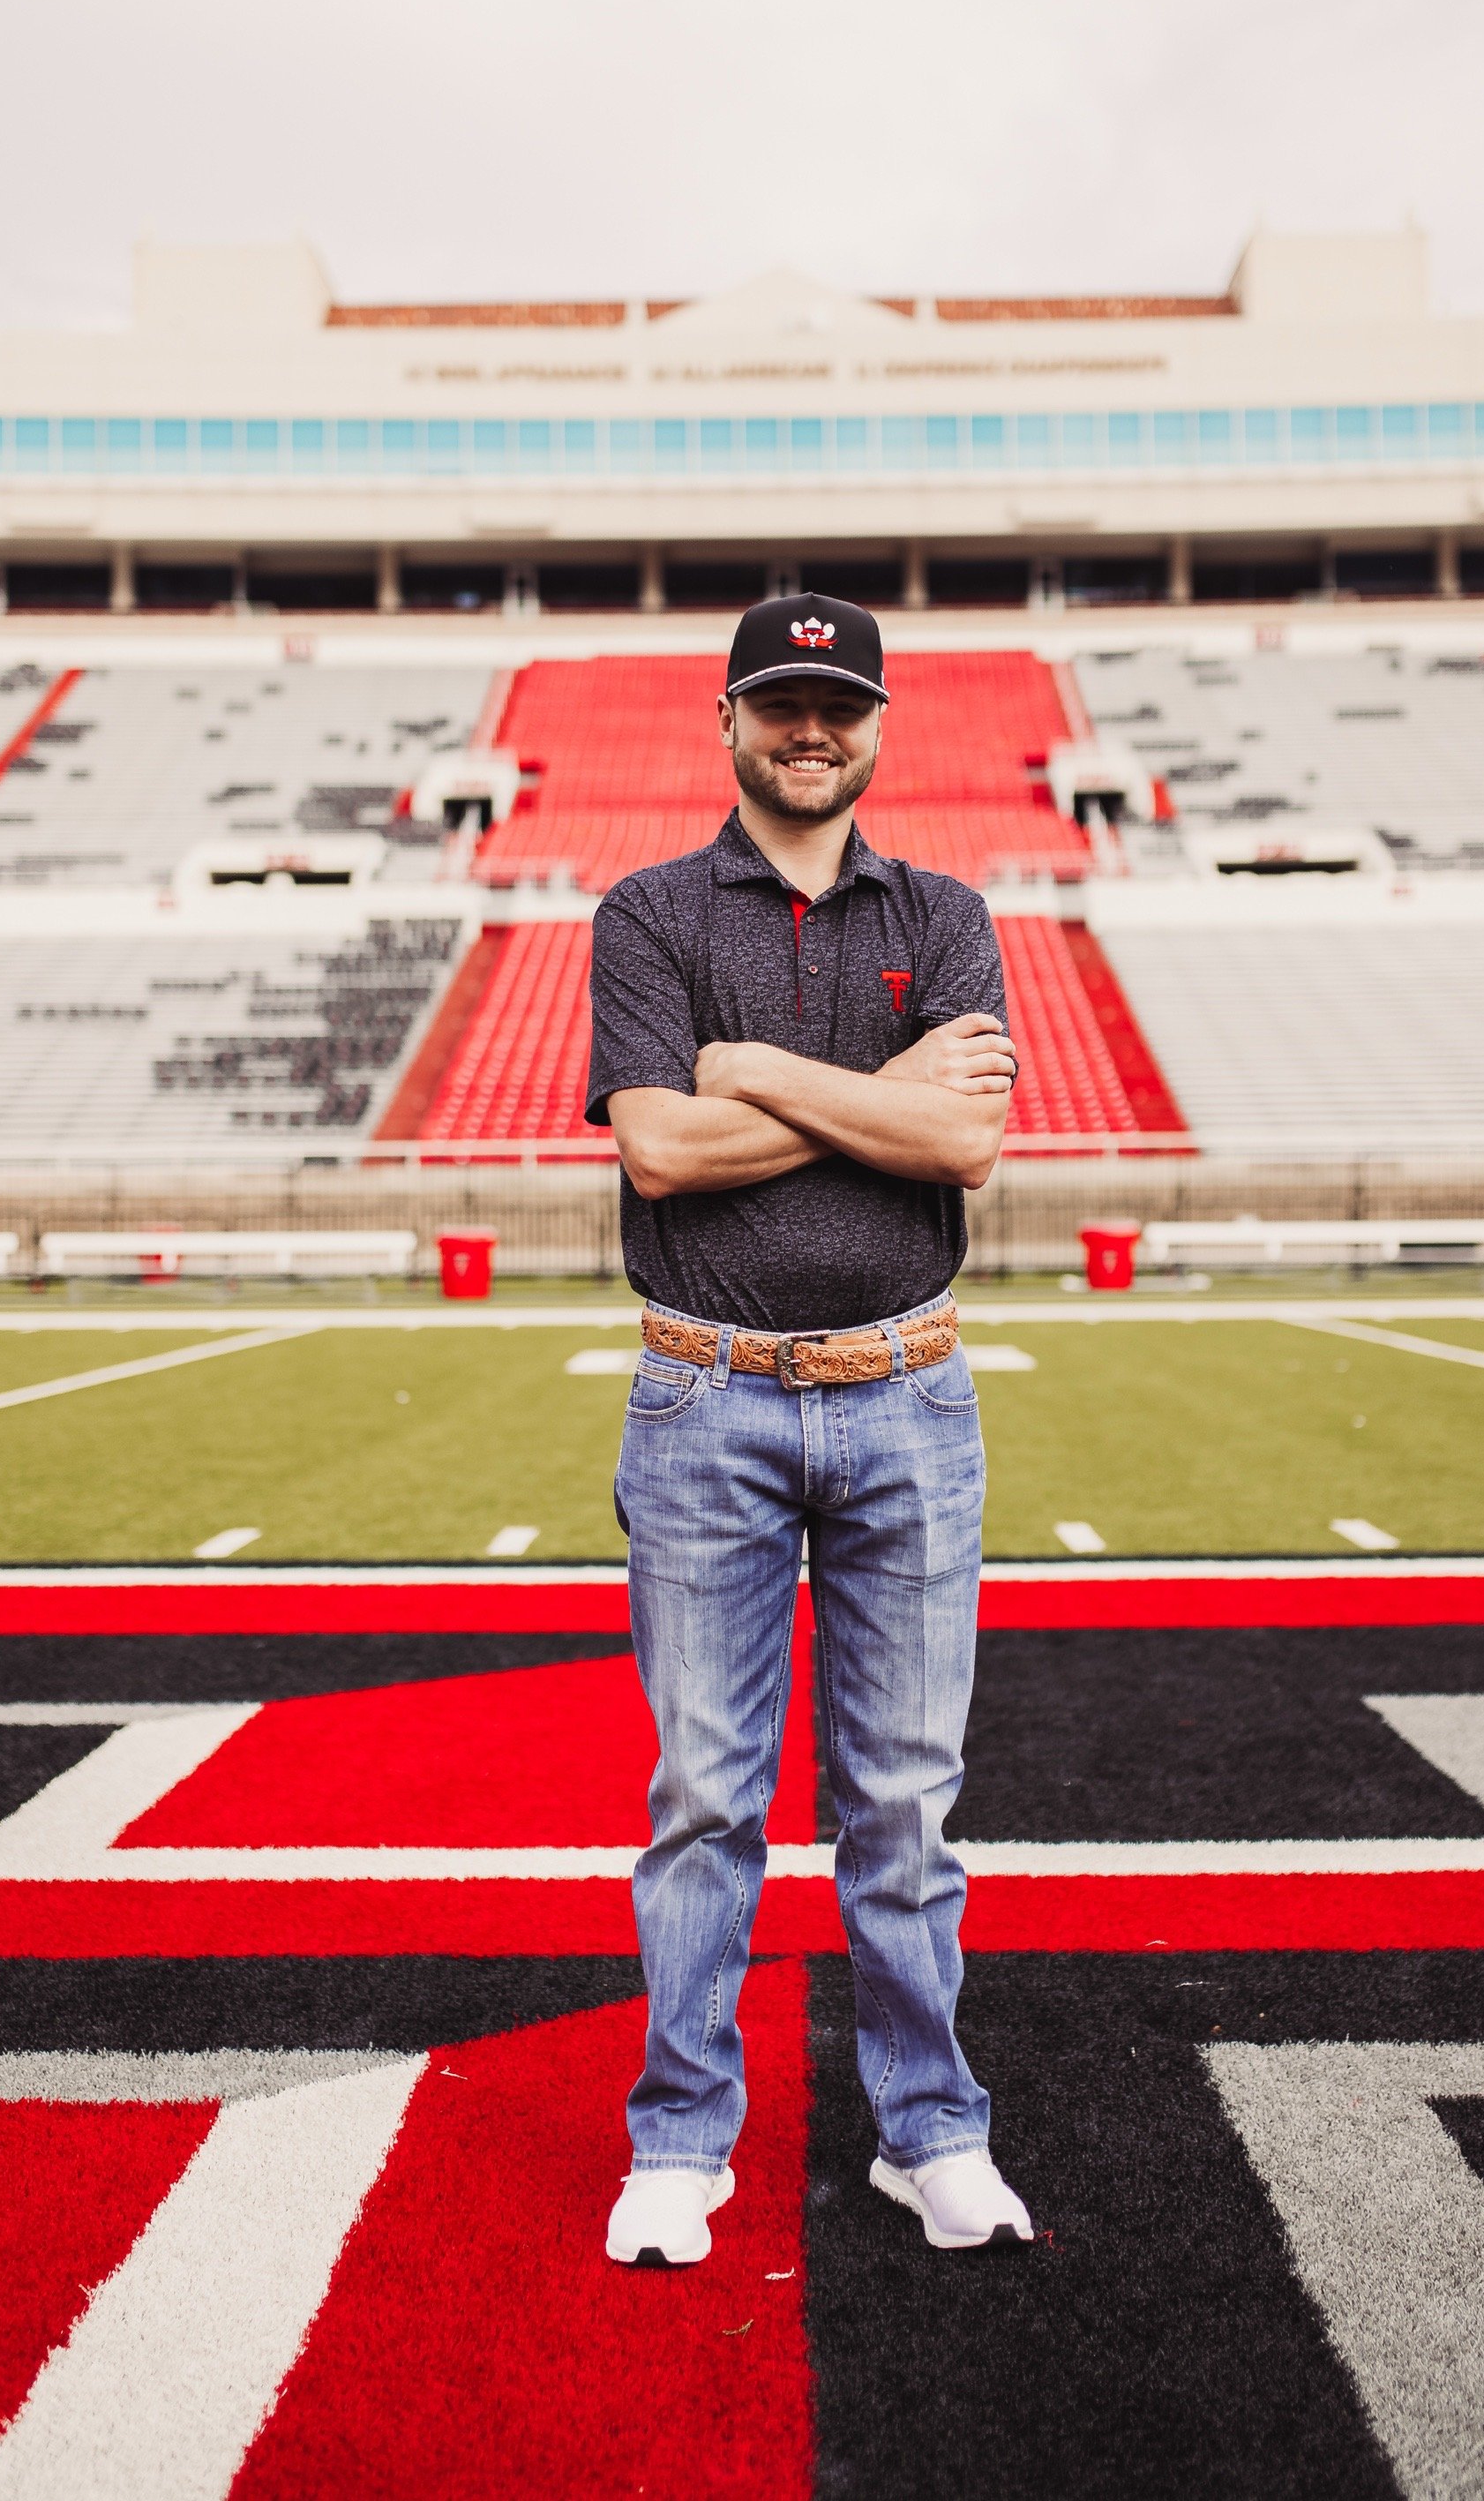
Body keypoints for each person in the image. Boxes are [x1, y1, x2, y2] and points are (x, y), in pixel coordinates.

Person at [586, 591, 1033, 2267]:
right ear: (729, 719)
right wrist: (886, 1106)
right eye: (779, 701)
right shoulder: (644, 912)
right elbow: (661, 1158)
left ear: (878, 724)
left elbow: (970, 1153)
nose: (809, 728)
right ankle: (680, 2138)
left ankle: (931, 2132)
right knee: (706, 1794)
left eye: (837, 703)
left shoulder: (951, 911)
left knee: (907, 1800)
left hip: (907, 1390)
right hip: (705, 1394)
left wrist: (754, 1068)